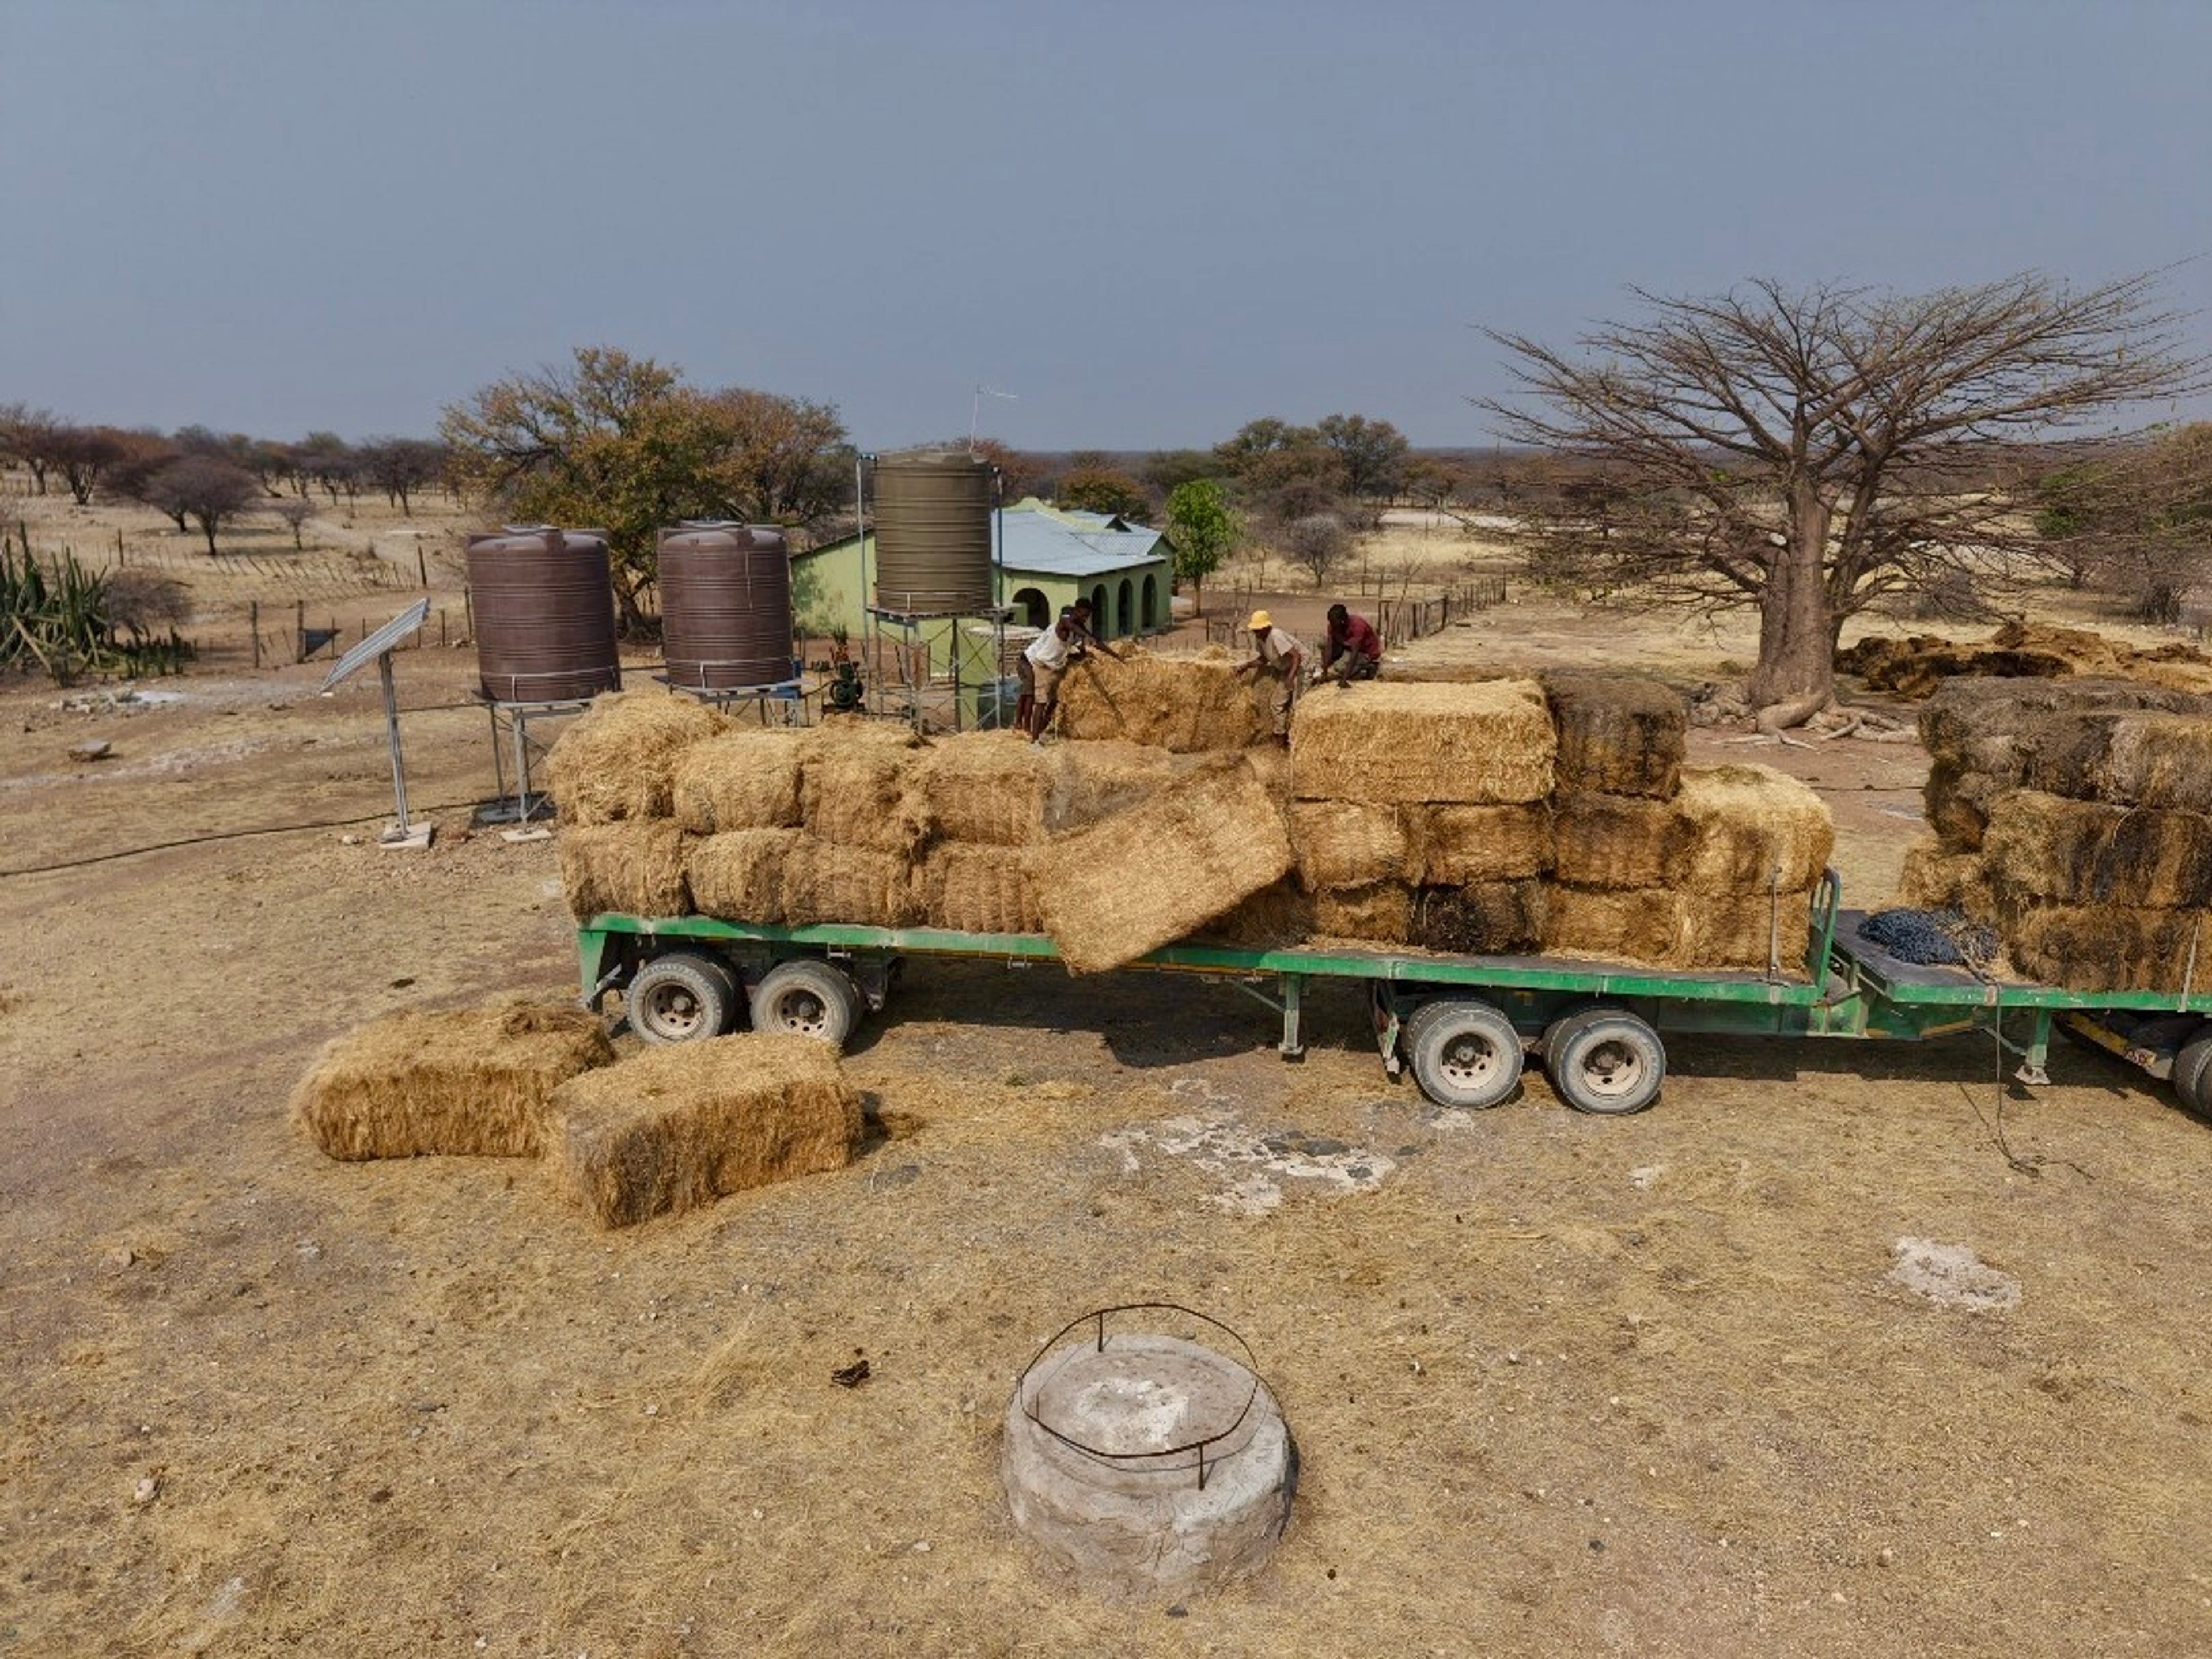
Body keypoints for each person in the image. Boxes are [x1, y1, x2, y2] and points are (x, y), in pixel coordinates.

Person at [1234, 609, 1306, 743]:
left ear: (1267, 627)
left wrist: (1290, 678)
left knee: (1297, 705)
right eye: (1255, 630)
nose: (1255, 632)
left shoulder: (1276, 636)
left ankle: (1285, 738)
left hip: (1301, 668)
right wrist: (1246, 666)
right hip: (1288, 669)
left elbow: (1297, 656)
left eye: (1258, 629)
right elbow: (1264, 659)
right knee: (1277, 703)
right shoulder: (1261, 639)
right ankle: (1282, 734)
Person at [1019, 607, 1087, 743]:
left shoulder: (1072, 633)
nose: (1085, 619)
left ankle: (1039, 730)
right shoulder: (1060, 625)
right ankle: (1032, 736)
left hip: (1052, 668)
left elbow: (1071, 651)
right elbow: (1067, 623)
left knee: (1054, 701)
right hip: (1036, 663)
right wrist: (1086, 636)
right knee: (1035, 699)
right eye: (1083, 616)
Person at [1320, 603, 1382, 684]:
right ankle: (1341, 662)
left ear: (1342, 621)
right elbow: (1329, 646)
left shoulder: (1358, 626)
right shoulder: (1334, 626)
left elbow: (1354, 654)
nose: (1331, 624)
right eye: (1330, 621)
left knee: (1339, 667)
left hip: (1365, 652)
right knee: (1321, 642)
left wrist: (1344, 679)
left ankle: (1369, 666)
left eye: (1333, 622)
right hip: (1347, 646)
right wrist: (1325, 672)